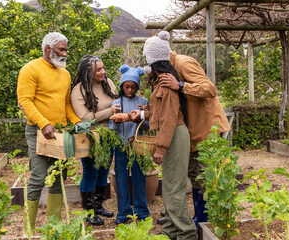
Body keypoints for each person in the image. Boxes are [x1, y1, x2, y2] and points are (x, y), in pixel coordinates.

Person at [131, 31, 231, 228]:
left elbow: (210, 89)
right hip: (191, 128)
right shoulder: (166, 70)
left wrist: (181, 85)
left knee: (205, 174)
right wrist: (147, 113)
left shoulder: (183, 64)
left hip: (205, 128)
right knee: (194, 174)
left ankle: (208, 221)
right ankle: (198, 219)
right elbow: (172, 108)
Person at [17, 32, 81, 235]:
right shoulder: (31, 69)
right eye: (61, 50)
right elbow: (25, 101)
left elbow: (67, 104)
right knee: (37, 177)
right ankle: (29, 228)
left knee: (59, 178)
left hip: (59, 132)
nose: (64, 54)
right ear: (48, 49)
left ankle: (54, 226)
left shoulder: (65, 74)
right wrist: (43, 123)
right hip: (38, 130)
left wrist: (77, 122)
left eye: (65, 50)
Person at [141, 31, 198, 240]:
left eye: (146, 57)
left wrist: (161, 148)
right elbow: (161, 113)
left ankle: (187, 233)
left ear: (152, 60)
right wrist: (145, 112)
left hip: (174, 134)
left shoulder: (166, 82)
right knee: (171, 188)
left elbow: (169, 119)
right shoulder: (160, 81)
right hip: (172, 133)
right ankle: (171, 230)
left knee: (174, 189)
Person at [71, 54, 118, 226]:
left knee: (104, 170)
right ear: (87, 72)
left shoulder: (108, 83)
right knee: (90, 172)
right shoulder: (79, 90)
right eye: (98, 70)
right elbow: (85, 118)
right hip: (91, 137)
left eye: (102, 68)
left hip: (110, 135)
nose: (102, 72)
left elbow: (116, 100)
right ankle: (89, 211)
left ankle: (98, 205)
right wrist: (110, 112)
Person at [108, 65, 150, 225]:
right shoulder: (117, 102)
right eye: (127, 87)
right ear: (122, 86)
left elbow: (147, 126)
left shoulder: (142, 102)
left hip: (138, 145)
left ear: (137, 87)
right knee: (121, 179)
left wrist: (141, 118)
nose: (130, 90)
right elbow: (112, 127)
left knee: (140, 178)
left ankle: (142, 212)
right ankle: (123, 213)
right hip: (121, 147)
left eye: (133, 87)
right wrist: (118, 122)